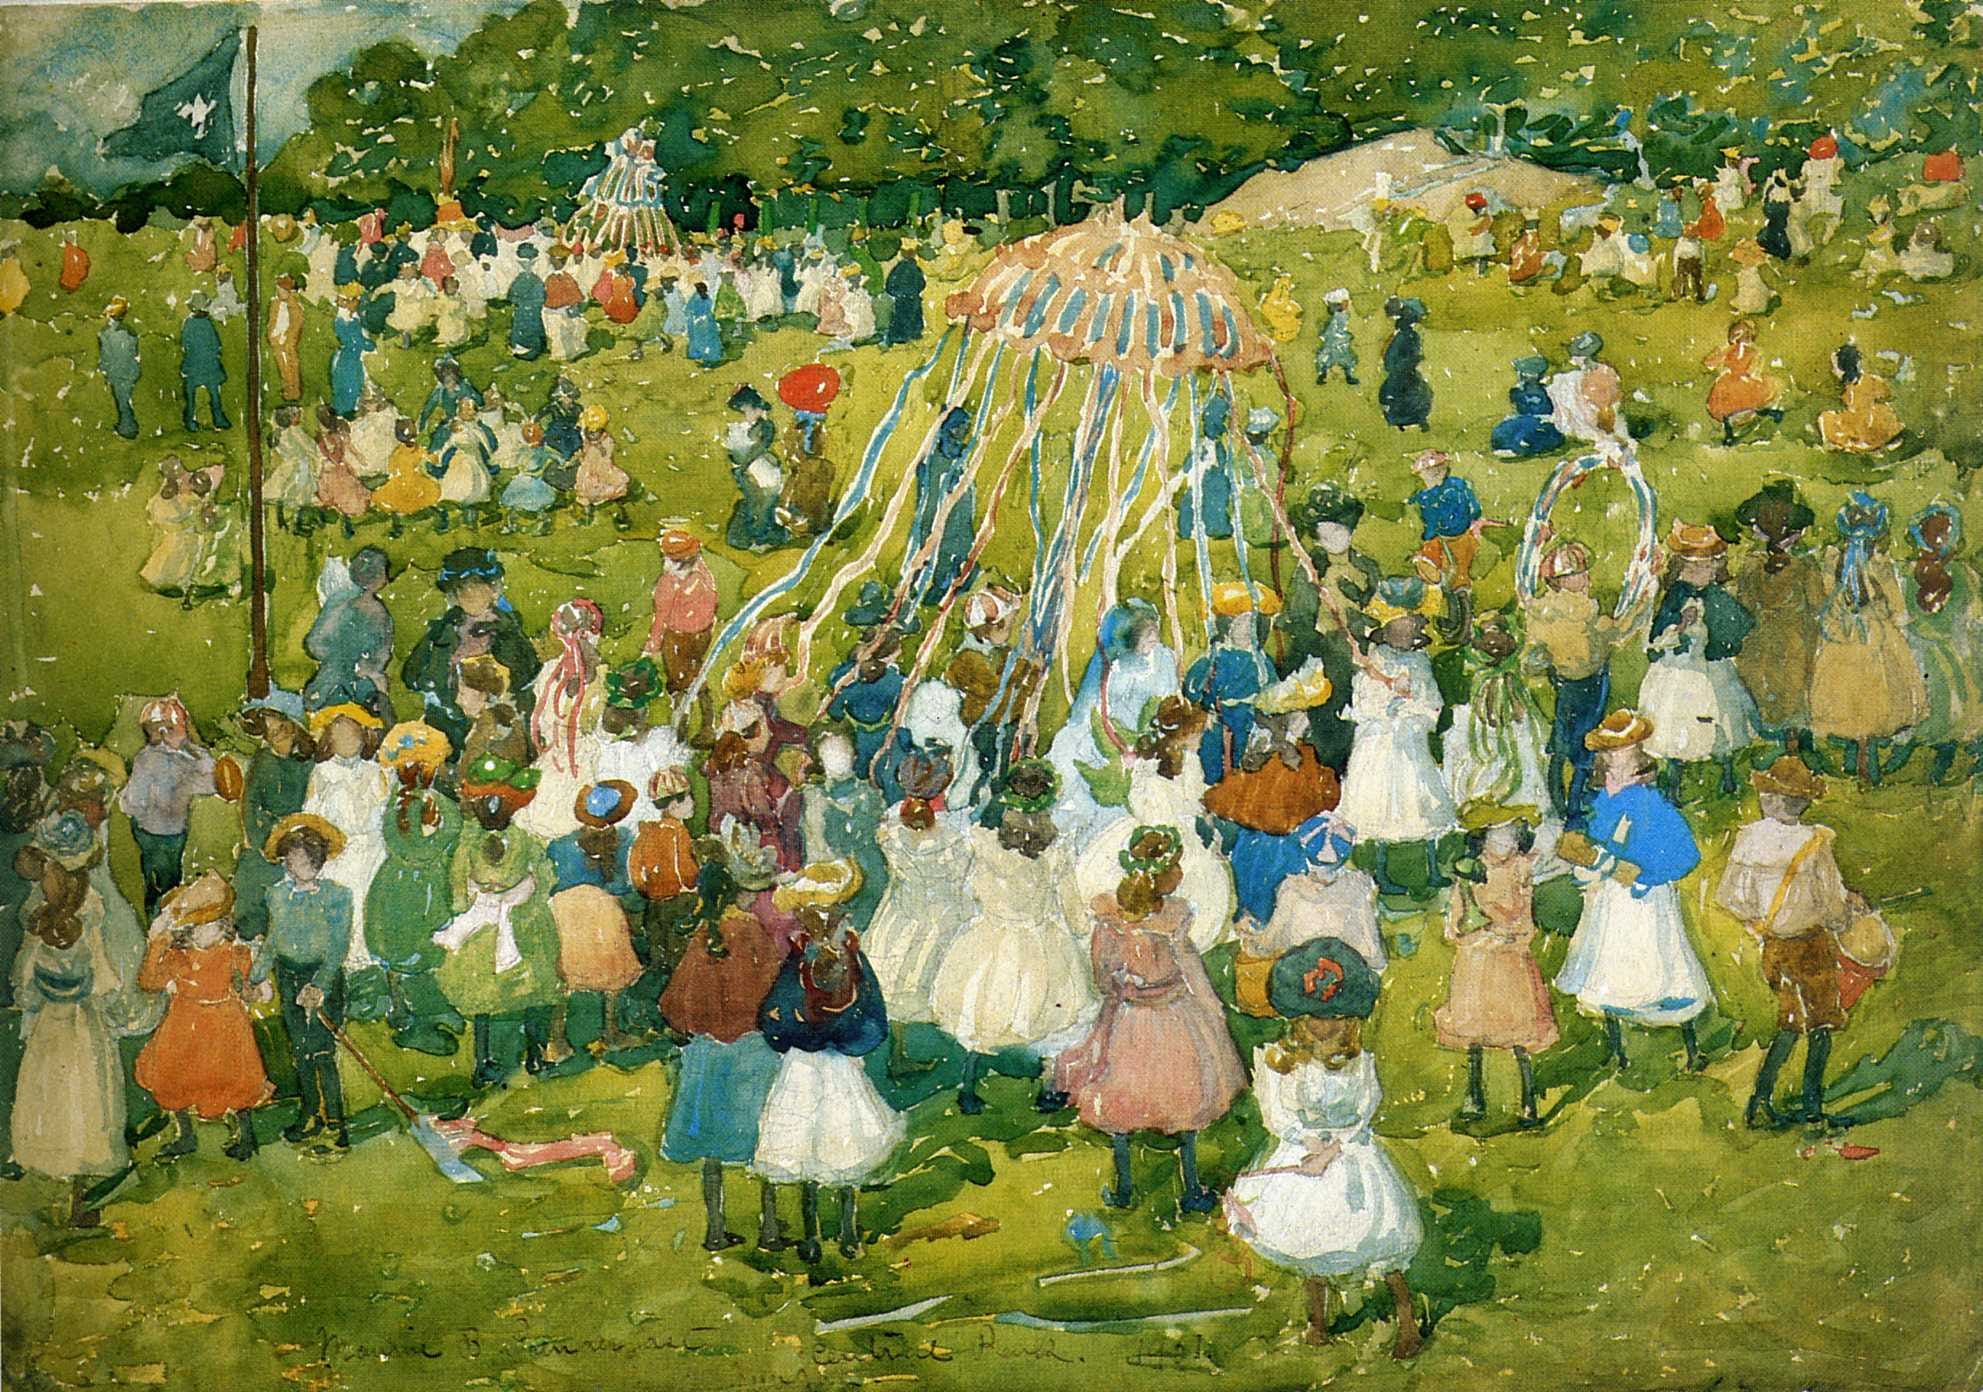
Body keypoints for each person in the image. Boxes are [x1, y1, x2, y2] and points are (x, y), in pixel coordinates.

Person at [1223, 937, 1424, 1360]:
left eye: (1335, 1018)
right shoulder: (1279, 1060)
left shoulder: (1358, 1062)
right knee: (1309, 1235)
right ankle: (1318, 1321)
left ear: (1350, 1022)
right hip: (1304, 1154)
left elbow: (1365, 1109)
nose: (1323, 1026)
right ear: (1297, 1019)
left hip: (1352, 1156)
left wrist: (1335, 1148)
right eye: (1313, 1017)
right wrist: (1307, 1141)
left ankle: (1407, 1323)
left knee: (1380, 1241)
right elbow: (1276, 1113)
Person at [1056, 826, 1247, 1212]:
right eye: (1176, 867)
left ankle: (1126, 1189)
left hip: (1129, 1019)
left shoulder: (1112, 917)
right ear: (1163, 875)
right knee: (1184, 1095)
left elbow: (1101, 975)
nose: (1181, 874)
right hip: (1173, 1016)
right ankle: (1189, 1189)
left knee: (1124, 1097)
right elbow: (1191, 969)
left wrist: (1122, 990)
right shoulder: (1171, 917)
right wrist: (1212, 1007)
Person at [753, 861, 903, 1264]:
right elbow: (775, 1016)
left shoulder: (845, 959)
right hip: (813, 1066)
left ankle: (836, 1232)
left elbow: (871, 1017)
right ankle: (824, 1234)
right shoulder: (805, 962)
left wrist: (820, 1037)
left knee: (838, 1143)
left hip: (823, 1066)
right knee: (813, 1146)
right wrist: (819, 1038)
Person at [1554, 709, 1713, 1072]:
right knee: (1609, 962)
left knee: (1660, 961)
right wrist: (1592, 863)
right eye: (1609, 756)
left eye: (1623, 754)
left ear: (1639, 758)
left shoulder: (1651, 804)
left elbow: (1685, 854)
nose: (1615, 763)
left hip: (1647, 899)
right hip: (1610, 897)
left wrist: (1645, 877)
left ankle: (1689, 1045)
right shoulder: (1602, 802)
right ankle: (1618, 1050)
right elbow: (1596, 844)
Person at [930, 762, 1094, 1114]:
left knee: (981, 1009)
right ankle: (1048, 1088)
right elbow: (1074, 911)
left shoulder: (985, 844)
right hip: (1037, 939)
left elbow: (970, 890)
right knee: (1051, 1015)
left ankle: (969, 1086)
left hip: (992, 935)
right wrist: (1083, 929)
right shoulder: (1055, 852)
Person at [1716, 757, 1857, 1131]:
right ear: (1803, 802)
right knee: (1820, 1024)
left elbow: (1730, 896)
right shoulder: (1815, 842)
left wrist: (1755, 925)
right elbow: (1832, 903)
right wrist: (1846, 919)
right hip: (1811, 945)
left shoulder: (1749, 839)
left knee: (1791, 1021)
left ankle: (1761, 1102)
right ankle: (1811, 1107)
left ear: (1769, 798)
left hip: (1775, 947)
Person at [659, 857, 788, 1252]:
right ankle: (769, 1229)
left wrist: (696, 1029)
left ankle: (716, 1229)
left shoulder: (706, 934)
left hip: (708, 1053)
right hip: (753, 1049)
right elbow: (773, 987)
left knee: (712, 1149)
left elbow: (674, 1000)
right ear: (740, 894)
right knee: (762, 1140)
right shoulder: (750, 933)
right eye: (754, 891)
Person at [11, 811, 132, 1226]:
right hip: (54, 1019)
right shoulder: (38, 910)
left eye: (48, 872)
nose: (43, 880)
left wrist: (104, 994)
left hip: (80, 1018)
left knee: (83, 1096)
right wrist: (29, 992)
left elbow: (98, 964)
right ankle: (63, 1182)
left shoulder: (90, 909)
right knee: (53, 1096)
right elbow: (28, 965)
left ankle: (79, 1192)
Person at [433, 757, 563, 1086]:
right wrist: (470, 896)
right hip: (483, 917)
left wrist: (528, 890)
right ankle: (483, 1060)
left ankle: (535, 1053)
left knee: (537, 983)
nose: (491, 809)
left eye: (499, 802)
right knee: (481, 989)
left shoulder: (525, 840)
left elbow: (544, 873)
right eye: (484, 802)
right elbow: (456, 878)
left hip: (522, 916)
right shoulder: (468, 841)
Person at [1075, 698, 1233, 954]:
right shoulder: (1189, 762)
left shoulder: (1145, 760)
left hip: (1145, 829)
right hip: (1174, 831)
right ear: (1185, 734)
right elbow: (1194, 802)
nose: (1200, 739)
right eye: (1198, 734)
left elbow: (1136, 800)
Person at [135, 874, 272, 1162]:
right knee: (173, 1075)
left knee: (235, 1076)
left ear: (224, 926)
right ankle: (185, 1135)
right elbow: (147, 981)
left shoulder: (234, 953)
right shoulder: (177, 956)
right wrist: (157, 943)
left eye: (211, 925)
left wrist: (258, 988)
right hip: (184, 1022)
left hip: (225, 1022)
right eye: (196, 927)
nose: (204, 933)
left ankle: (246, 1136)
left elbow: (259, 986)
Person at [1435, 803, 1556, 1126]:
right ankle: (1474, 1096)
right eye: (1497, 836)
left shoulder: (1520, 869)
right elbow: (1454, 925)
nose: (1505, 843)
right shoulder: (1469, 871)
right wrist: (1476, 936)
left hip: (1510, 961)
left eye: (1512, 835)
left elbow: (1525, 923)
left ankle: (1528, 1101)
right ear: (1483, 838)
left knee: (1520, 1031)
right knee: (1474, 1031)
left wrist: (1507, 937)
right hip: (1476, 961)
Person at [1521, 539, 1652, 829]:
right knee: (1585, 747)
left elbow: (1533, 657)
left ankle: (1560, 802)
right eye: (1579, 573)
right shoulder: (1583, 612)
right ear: (1562, 580)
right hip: (1588, 685)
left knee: (1562, 745)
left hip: (1563, 684)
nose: (1587, 578)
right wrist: (1643, 599)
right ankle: (1574, 810)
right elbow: (1618, 632)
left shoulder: (1542, 612)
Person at [1336, 577, 1455, 895]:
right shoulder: (1374, 662)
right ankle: (1382, 870)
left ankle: (1432, 866)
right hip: (1382, 743)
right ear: (1385, 631)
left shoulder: (1419, 661)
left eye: (1411, 627)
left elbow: (1432, 702)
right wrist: (1390, 701)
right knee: (1383, 802)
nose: (1407, 633)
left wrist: (1414, 704)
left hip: (1410, 741)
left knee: (1421, 799)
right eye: (1400, 627)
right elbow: (1364, 705)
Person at [1809, 493, 1926, 784]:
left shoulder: (1842, 561)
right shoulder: (1868, 563)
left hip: (1854, 635)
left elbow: (1828, 599)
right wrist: (1896, 622)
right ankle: (1861, 757)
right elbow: (1896, 606)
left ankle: (1860, 756)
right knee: (1860, 696)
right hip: (1864, 634)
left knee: (1861, 696)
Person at [254, 813, 354, 1150]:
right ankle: (310, 1113)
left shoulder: (338, 896)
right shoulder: (276, 895)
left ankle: (336, 1121)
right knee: (301, 1051)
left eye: (309, 857)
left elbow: (338, 946)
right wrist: (256, 976)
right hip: (288, 976)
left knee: (321, 1050)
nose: (301, 863)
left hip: (323, 978)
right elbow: (272, 940)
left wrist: (320, 986)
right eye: (294, 856)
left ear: (320, 859)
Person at [364, 722, 464, 1056]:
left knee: (430, 943)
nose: (423, 772)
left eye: (428, 765)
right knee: (406, 948)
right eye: (414, 766)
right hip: (403, 888)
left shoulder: (436, 799)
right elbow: (411, 849)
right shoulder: (399, 805)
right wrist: (439, 838)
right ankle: (410, 1021)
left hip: (431, 885)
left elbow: (453, 828)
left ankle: (432, 1007)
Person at [1644, 522, 1758, 797]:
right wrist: (1680, 624)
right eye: (1693, 568)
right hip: (1678, 670)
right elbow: (1657, 638)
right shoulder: (1676, 596)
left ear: (1716, 568)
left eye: (1707, 567)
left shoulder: (1717, 597)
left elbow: (1738, 626)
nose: (1700, 574)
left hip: (1711, 668)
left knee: (1721, 716)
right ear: (1680, 568)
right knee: (1676, 719)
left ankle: (1727, 772)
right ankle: (1675, 775)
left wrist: (1718, 633)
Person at [403, 548, 541, 754]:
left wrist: (490, 695)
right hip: (446, 723)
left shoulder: (507, 631)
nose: (469, 594)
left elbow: (527, 676)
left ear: (493, 589)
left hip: (496, 725)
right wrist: (441, 694)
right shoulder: (444, 629)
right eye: (461, 588)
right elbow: (412, 674)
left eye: (476, 586)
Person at [1281, 484, 1380, 769]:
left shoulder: (1365, 566)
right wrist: (1317, 643)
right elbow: (1298, 616)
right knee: (1327, 720)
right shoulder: (1311, 568)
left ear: (1349, 528)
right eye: (1323, 534)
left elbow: (1378, 608)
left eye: (1336, 531)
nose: (1331, 540)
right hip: (1323, 654)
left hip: (1362, 652)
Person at [546, 781, 646, 1052]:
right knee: (612, 974)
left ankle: (556, 1040)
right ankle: (611, 1033)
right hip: (603, 911)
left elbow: (552, 883)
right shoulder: (623, 839)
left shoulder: (560, 845)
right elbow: (622, 886)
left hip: (566, 912)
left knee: (565, 977)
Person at [1729, 482, 1826, 755]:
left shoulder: (1795, 563)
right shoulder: (1761, 563)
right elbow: (1817, 602)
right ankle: (1783, 746)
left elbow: (1817, 601)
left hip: (1782, 636)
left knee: (1785, 686)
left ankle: (1792, 747)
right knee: (1775, 686)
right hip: (1776, 636)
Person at [302, 704, 391, 1004]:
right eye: (339, 735)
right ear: (329, 739)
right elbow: (311, 816)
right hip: (338, 855)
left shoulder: (376, 771)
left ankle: (370, 982)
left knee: (370, 908)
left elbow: (384, 811)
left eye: (353, 734)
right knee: (342, 911)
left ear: (364, 736)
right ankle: (338, 977)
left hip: (371, 853)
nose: (348, 741)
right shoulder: (322, 773)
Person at [1894, 503, 1981, 784]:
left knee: (1960, 702)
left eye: (1945, 532)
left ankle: (1957, 752)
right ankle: (1923, 750)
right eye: (1932, 532)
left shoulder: (1963, 573)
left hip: (1956, 647)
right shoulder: (1906, 573)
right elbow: (1899, 614)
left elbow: (1972, 613)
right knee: (1928, 701)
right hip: (1919, 650)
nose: (1939, 538)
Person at [227, 692, 315, 943]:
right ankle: (251, 936)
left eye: (282, 729)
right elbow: (249, 801)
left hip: (302, 830)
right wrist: (254, 837)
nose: (279, 737)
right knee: (251, 877)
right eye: (271, 733)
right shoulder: (264, 760)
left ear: (294, 726)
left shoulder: (310, 760)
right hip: (267, 829)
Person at [119, 696, 217, 917]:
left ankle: (169, 919)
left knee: (175, 881)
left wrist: (188, 786)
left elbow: (213, 780)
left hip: (178, 831)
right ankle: (156, 921)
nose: (184, 730)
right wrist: (156, 803)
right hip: (153, 833)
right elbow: (134, 801)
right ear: (160, 731)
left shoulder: (193, 754)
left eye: (182, 724)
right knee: (160, 884)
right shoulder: (148, 759)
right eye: (176, 726)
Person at [1184, 583, 1278, 789]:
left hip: (1250, 721)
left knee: (1250, 767)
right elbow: (1192, 688)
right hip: (1219, 721)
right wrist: (1204, 709)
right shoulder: (1216, 656)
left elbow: (1273, 691)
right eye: (1242, 622)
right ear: (1228, 625)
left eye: (1252, 622)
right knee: (1213, 764)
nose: (1247, 629)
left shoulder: (1260, 661)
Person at [303, 547, 395, 718]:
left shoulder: (377, 611)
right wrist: (338, 660)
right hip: (335, 680)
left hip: (356, 680)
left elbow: (382, 652)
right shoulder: (344, 603)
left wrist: (366, 669)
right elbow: (315, 642)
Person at [906, 406, 977, 603]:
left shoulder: (961, 456)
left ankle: (944, 583)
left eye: (964, 428)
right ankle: (924, 586)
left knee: (955, 543)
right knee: (934, 543)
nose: (961, 432)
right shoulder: (935, 456)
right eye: (957, 427)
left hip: (957, 510)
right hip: (935, 508)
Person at [723, 385, 787, 552]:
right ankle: (748, 537)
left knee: (763, 503)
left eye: (748, 410)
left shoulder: (765, 426)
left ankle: (760, 536)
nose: (746, 414)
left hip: (762, 472)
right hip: (750, 471)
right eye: (743, 411)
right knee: (755, 503)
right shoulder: (744, 427)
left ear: (758, 408)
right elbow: (737, 451)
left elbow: (759, 448)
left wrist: (743, 465)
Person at [1703, 319, 1783, 445]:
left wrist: (1749, 376)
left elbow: (1754, 369)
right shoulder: (1730, 349)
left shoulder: (1753, 352)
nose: (1740, 336)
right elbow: (1710, 363)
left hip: (1743, 381)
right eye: (1737, 333)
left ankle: (1769, 412)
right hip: (1729, 382)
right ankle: (1729, 434)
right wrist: (1720, 360)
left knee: (1748, 403)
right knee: (1724, 407)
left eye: (1744, 333)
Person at [1817, 342, 1902, 454]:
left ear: (1839, 368)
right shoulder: (1872, 379)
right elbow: (1887, 395)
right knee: (1882, 409)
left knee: (1824, 417)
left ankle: (1845, 443)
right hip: (1874, 430)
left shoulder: (1846, 389)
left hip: (1861, 431)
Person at [1176, 392, 1237, 541]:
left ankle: (1215, 527)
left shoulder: (1216, 445)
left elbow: (1221, 463)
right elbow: (1188, 466)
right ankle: (1200, 528)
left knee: (1218, 494)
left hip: (1213, 479)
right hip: (1204, 479)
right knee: (1204, 497)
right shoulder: (1203, 445)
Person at [1547, 332, 1624, 444]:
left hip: (1593, 413)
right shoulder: (1567, 377)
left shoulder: (1600, 372)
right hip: (1589, 412)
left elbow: (1608, 397)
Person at [1491, 356, 1567, 458]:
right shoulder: (1517, 391)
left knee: (1530, 434)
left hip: (1543, 422)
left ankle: (1519, 448)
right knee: (1502, 430)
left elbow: (1556, 412)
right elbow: (1518, 410)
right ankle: (1504, 446)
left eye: (1523, 373)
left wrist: (1549, 419)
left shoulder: (1548, 391)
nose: (1520, 375)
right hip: (1525, 420)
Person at [178, 293, 230, 432]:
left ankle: (190, 421)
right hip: (209, 365)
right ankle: (218, 419)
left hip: (194, 364)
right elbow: (216, 344)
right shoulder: (207, 323)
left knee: (191, 395)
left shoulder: (189, 323)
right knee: (214, 394)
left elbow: (185, 344)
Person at [1378, 296, 1431, 430]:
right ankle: (1407, 419)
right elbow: (1392, 359)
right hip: (1402, 373)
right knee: (1412, 395)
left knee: (1419, 394)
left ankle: (1410, 419)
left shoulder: (1406, 335)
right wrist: (1413, 360)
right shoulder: (1407, 336)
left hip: (1403, 373)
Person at [98, 298, 141, 439]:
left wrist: (103, 370)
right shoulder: (131, 331)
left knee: (122, 400)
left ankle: (128, 428)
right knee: (125, 398)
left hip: (117, 371)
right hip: (131, 369)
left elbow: (106, 356)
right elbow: (134, 352)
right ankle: (128, 425)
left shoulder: (105, 333)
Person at [328, 288, 373, 418]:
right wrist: (370, 345)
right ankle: (342, 410)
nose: (357, 303)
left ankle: (348, 408)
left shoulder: (354, 317)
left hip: (354, 357)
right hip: (347, 357)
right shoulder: (342, 320)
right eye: (354, 300)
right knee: (347, 384)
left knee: (355, 382)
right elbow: (354, 340)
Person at [267, 273, 305, 402]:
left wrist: (287, 338)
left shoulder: (295, 306)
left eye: (282, 291)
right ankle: (287, 390)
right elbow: (272, 322)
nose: (279, 293)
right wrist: (273, 336)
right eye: (278, 290)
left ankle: (294, 391)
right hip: (277, 339)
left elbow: (296, 325)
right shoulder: (275, 304)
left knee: (291, 366)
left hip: (288, 342)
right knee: (282, 366)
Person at [507, 242, 548, 359]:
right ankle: (520, 347)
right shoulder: (519, 279)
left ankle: (534, 347)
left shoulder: (536, 280)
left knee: (534, 327)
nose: (527, 266)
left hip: (533, 311)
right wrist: (520, 303)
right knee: (521, 327)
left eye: (529, 263)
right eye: (524, 264)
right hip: (521, 311)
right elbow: (511, 295)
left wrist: (530, 305)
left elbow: (541, 297)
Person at [882, 239, 926, 345]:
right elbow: (922, 284)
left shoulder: (898, 269)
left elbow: (889, 285)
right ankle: (913, 334)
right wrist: (914, 292)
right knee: (913, 316)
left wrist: (897, 294)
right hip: (912, 298)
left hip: (902, 299)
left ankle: (900, 337)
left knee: (901, 317)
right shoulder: (916, 269)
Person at [1314, 287, 1357, 385]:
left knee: (1346, 360)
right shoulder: (1337, 317)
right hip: (1335, 343)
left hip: (1339, 344)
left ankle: (1348, 376)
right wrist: (1345, 336)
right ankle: (1323, 375)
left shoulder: (1343, 316)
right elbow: (1333, 331)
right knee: (1326, 359)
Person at [684, 281, 723, 365]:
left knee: (710, 337)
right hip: (696, 321)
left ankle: (711, 355)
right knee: (697, 338)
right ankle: (696, 354)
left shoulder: (707, 298)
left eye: (703, 290)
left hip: (707, 320)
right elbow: (689, 310)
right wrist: (695, 318)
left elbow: (709, 309)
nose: (702, 291)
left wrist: (707, 317)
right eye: (700, 290)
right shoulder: (695, 298)